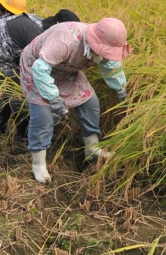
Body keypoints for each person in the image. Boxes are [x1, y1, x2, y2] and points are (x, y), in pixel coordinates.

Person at [20, 18, 131, 184]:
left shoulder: (101, 48)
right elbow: (40, 69)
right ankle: (39, 164)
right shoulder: (65, 39)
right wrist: (53, 98)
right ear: (95, 41)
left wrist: (121, 89)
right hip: (37, 70)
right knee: (43, 116)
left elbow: (110, 67)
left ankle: (92, 149)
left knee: (90, 102)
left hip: (67, 71)